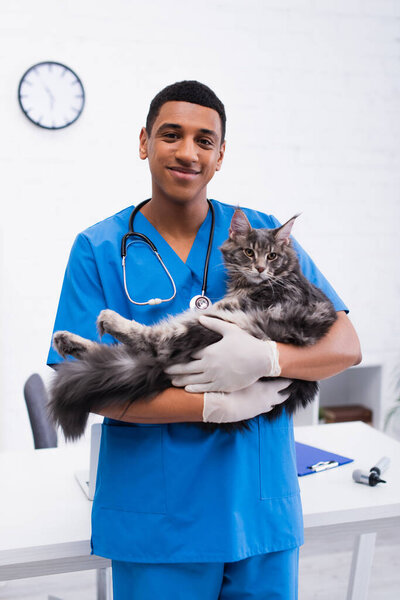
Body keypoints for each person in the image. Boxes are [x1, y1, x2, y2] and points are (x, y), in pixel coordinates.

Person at [47, 81, 361, 599]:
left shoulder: (260, 234)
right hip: (158, 518)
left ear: (219, 157)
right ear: (144, 142)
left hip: (258, 508)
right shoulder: (98, 248)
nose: (188, 152)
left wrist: (268, 357)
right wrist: (214, 406)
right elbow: (89, 389)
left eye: (205, 140)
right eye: (172, 135)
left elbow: (345, 346)